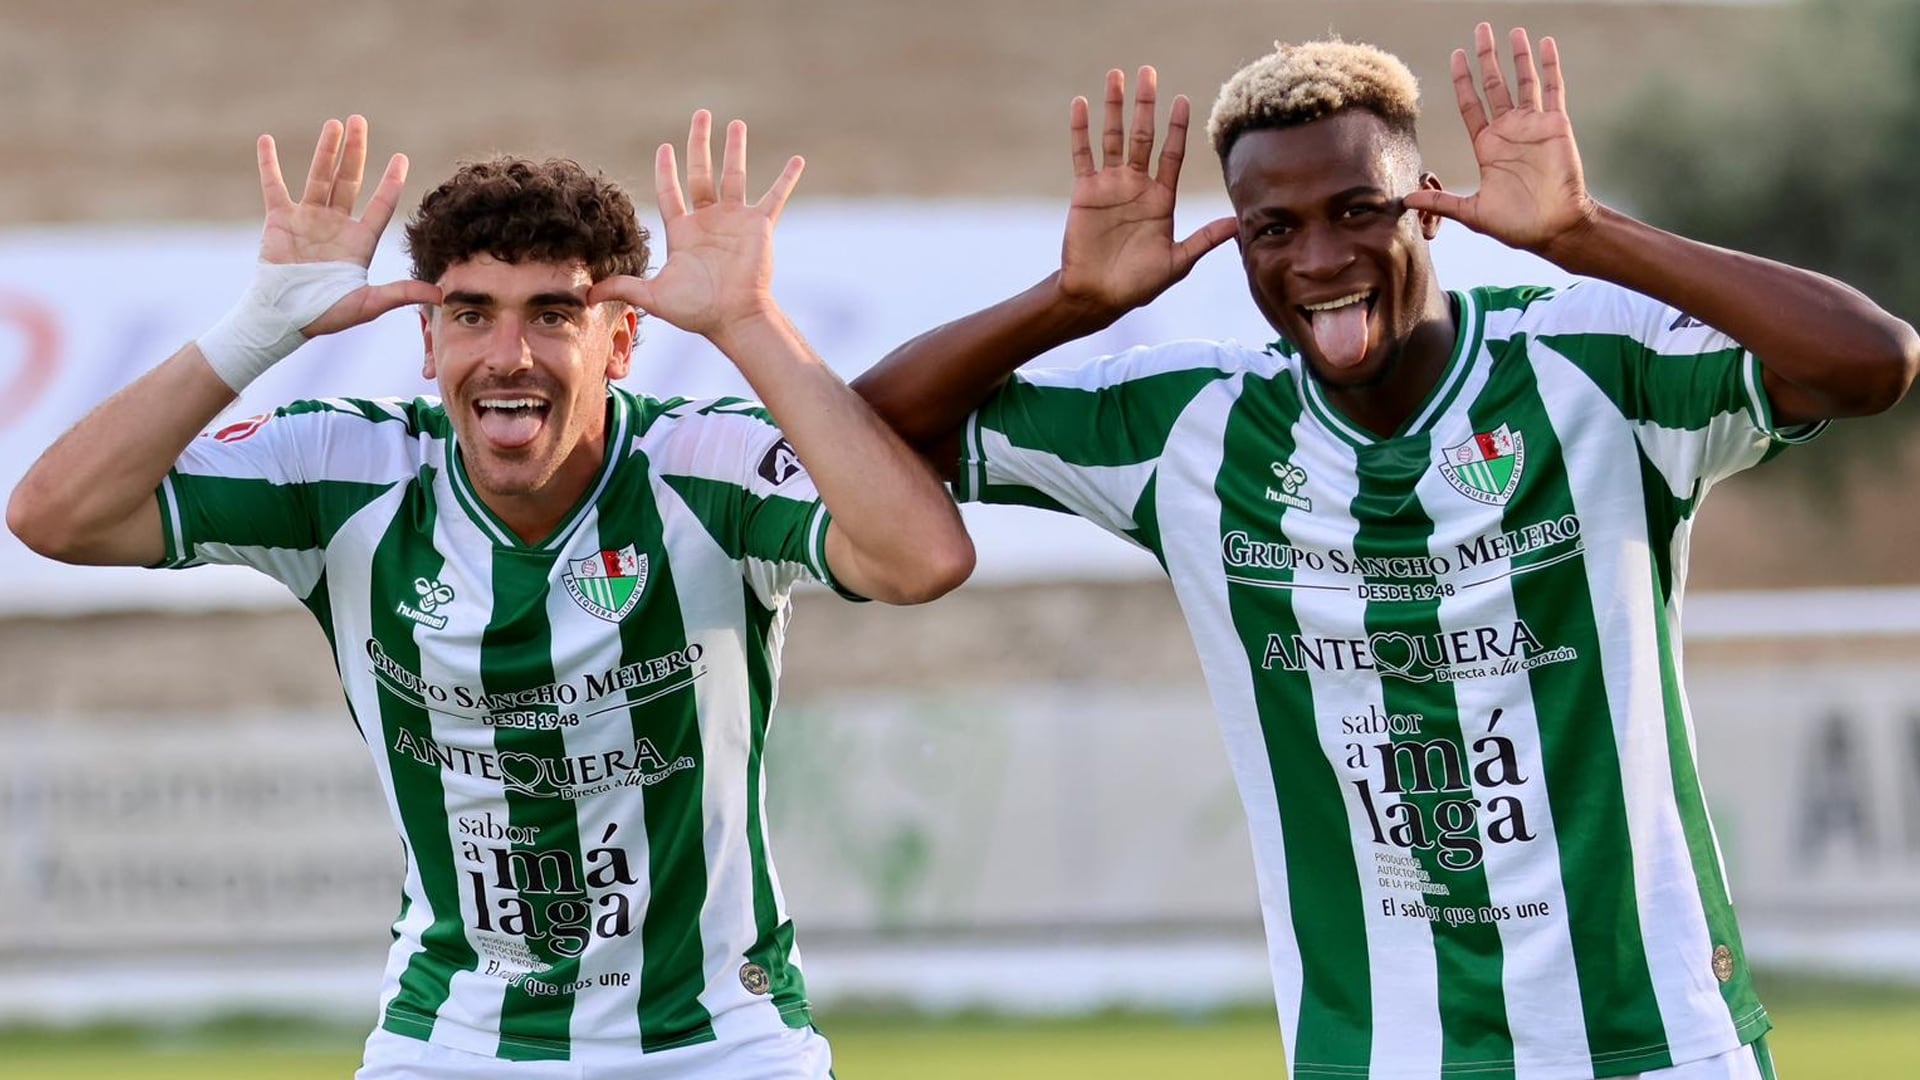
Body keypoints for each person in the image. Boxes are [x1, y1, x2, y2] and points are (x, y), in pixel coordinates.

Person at [853, 24, 1917, 1080]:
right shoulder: (1192, 430)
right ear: (1240, 245)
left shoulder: (1593, 365)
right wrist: (1072, 303)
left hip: (1654, 1042)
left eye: (1358, 210)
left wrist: (1584, 232)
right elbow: (866, 437)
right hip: (1376, 1056)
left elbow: (1870, 364)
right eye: (1274, 228)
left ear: (1430, 209)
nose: (1320, 259)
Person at [7, 111, 973, 1078]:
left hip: (720, 1043)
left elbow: (920, 559)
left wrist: (749, 323)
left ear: (621, 342)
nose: (509, 354)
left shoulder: (703, 465)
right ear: (429, 341)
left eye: (553, 315)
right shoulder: (347, 467)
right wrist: (257, 329)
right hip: (453, 1042)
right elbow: (57, 516)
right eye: (471, 314)